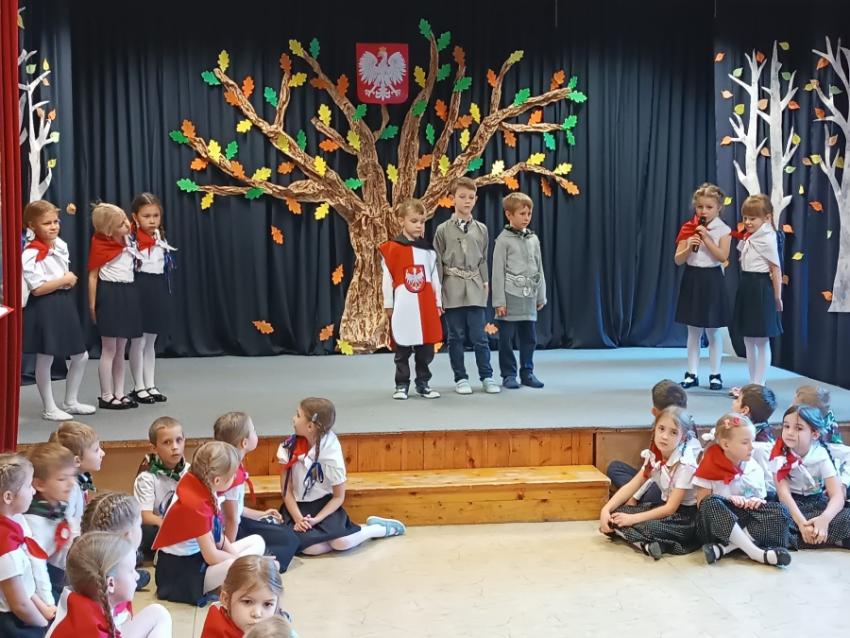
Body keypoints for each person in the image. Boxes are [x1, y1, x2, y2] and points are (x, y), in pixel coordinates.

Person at [278, 397, 406, 555]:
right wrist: (299, 519)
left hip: (324, 506)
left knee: (342, 543)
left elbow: (338, 497)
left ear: (310, 426)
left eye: (298, 415)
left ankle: (377, 529)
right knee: (310, 549)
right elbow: (286, 491)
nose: (293, 418)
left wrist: (316, 519)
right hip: (297, 507)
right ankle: (334, 537)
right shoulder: (288, 448)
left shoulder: (330, 453)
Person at [152, 442, 265, 606]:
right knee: (235, 564)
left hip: (198, 558)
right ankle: (244, 577)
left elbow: (218, 537)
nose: (235, 478)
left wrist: (242, 561)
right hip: (182, 573)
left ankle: (244, 575)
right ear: (217, 480)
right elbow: (211, 556)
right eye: (232, 475)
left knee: (257, 541)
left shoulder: (201, 484)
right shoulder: (196, 505)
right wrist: (243, 563)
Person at [21, 200, 93, 421]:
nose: (53, 226)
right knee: (46, 356)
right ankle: (49, 407)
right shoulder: (30, 254)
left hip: (63, 302)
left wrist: (65, 281)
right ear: (32, 225)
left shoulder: (60, 245)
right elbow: (37, 289)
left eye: (56, 221)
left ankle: (70, 401)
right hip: (44, 305)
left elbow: (63, 275)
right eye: (47, 223)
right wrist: (65, 279)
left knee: (81, 355)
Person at [599, 407, 701, 559]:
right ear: (655, 429)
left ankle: (646, 543)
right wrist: (605, 510)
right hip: (663, 509)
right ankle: (647, 543)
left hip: (685, 519)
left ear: (683, 437)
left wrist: (632, 519)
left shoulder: (685, 464)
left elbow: (670, 508)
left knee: (643, 525)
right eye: (661, 429)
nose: (665, 436)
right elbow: (632, 486)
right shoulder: (655, 456)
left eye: (673, 432)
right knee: (616, 515)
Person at [693, 413, 792, 566]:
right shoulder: (708, 466)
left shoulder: (753, 466)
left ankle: (725, 549)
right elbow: (702, 505)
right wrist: (728, 500)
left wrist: (755, 501)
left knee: (781, 512)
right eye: (745, 442)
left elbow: (761, 498)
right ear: (726, 445)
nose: (752, 447)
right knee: (710, 502)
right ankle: (756, 553)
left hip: (745, 520)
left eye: (752, 441)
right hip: (718, 528)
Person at [433, 177, 500, 395]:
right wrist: (438, 293)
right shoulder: (442, 230)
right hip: (451, 287)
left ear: (476, 200)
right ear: (452, 199)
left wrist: (485, 282)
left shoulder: (481, 229)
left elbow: (483, 258)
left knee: (480, 336)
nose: (467, 201)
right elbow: (437, 262)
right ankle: (460, 377)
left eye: (471, 197)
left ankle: (487, 376)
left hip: (475, 286)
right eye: (462, 197)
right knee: (456, 336)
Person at [214, 412, 299, 572]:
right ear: (244, 442)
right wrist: (228, 553)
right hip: (229, 533)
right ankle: (262, 566)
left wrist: (260, 514)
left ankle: (260, 561)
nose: (256, 433)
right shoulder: (230, 473)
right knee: (288, 540)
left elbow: (236, 509)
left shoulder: (233, 463)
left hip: (235, 524)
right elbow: (231, 519)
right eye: (253, 430)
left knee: (286, 535)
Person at [46, 532, 171, 637]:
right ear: (110, 584)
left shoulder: (89, 604)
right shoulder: (88, 629)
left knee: (158, 613)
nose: (137, 576)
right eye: (131, 571)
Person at [379, 198, 443, 400]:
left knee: (426, 349)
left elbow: (434, 278)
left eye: (422, 221)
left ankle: (423, 383)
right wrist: (388, 304)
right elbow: (387, 279)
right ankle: (401, 384)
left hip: (425, 305)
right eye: (414, 221)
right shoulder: (391, 249)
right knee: (403, 348)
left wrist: (438, 302)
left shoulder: (428, 251)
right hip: (404, 306)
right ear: (401, 221)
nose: (419, 225)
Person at [673, 183, 731, 390]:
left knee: (713, 330)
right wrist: (689, 247)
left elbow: (722, 256)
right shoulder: (689, 228)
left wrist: (706, 238)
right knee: (693, 330)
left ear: (719, 208)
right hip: (693, 277)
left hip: (712, 279)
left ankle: (715, 374)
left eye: (709, 207)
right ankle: (692, 373)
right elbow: (678, 260)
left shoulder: (724, 230)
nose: (703, 211)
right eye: (700, 207)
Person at [87, 203, 144, 410]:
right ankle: (106, 395)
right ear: (108, 231)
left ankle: (119, 392)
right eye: (121, 224)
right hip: (110, 294)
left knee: (121, 348)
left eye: (125, 220)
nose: (127, 225)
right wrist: (92, 306)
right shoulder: (100, 244)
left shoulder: (129, 240)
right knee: (109, 349)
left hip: (128, 292)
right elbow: (93, 276)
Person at [772, 405, 850, 550]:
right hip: (791, 508)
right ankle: (827, 538)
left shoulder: (820, 455)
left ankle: (812, 535)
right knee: (772, 521)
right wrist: (802, 524)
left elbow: (837, 495)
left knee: (847, 516)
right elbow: (784, 495)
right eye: (786, 426)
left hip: (817, 504)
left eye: (798, 428)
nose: (790, 432)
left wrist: (824, 520)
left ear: (814, 434)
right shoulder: (778, 454)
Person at [491, 192, 546, 389]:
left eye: (529, 213)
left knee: (529, 337)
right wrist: (499, 301)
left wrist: (541, 295)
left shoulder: (533, 239)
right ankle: (508, 374)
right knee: (506, 338)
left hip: (529, 296)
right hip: (509, 296)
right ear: (509, 214)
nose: (526, 217)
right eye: (522, 213)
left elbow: (539, 268)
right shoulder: (503, 240)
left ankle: (527, 372)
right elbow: (497, 272)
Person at [606, 380, 687, 505]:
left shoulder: (681, 435)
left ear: (654, 412)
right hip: (655, 477)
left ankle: (642, 504)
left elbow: (665, 475)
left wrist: (634, 497)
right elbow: (649, 470)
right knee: (615, 468)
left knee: (654, 491)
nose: (665, 435)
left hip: (671, 486)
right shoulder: (662, 432)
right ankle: (641, 502)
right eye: (662, 428)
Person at [128, 193, 176, 404]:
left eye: (156, 216)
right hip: (139, 287)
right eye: (146, 216)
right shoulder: (130, 239)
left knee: (151, 341)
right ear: (135, 217)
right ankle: (138, 386)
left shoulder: (160, 237)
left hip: (157, 287)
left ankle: (150, 384)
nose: (152, 220)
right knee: (138, 341)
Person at [731, 194, 783, 386]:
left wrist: (777, 296)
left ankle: (759, 384)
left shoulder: (767, 238)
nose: (747, 222)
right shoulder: (751, 236)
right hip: (747, 284)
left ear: (767, 218)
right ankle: (752, 382)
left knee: (761, 339)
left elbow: (775, 269)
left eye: (752, 218)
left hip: (760, 287)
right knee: (748, 338)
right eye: (745, 218)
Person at [0, 453, 52, 636]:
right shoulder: (6, 547)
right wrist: (43, 626)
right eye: (29, 486)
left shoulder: (12, 528)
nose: (34, 491)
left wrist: (43, 609)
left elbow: (24, 585)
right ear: (8, 497)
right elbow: (20, 605)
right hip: (12, 625)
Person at [24, 443, 78, 604]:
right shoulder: (33, 521)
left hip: (58, 574)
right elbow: (37, 566)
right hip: (37, 584)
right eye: (62, 479)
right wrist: (49, 603)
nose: (71, 483)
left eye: (72, 476)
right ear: (40, 484)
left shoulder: (58, 507)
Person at [133, 417, 189, 560]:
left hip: (183, 524)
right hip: (158, 525)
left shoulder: (190, 471)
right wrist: (168, 526)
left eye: (179, 440)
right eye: (167, 442)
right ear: (153, 448)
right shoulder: (147, 476)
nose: (175, 447)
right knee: (144, 532)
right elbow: (145, 516)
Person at [200, 555, 294, 637]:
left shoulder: (279, 626)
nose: (257, 614)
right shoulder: (216, 630)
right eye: (247, 602)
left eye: (267, 604)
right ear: (226, 599)